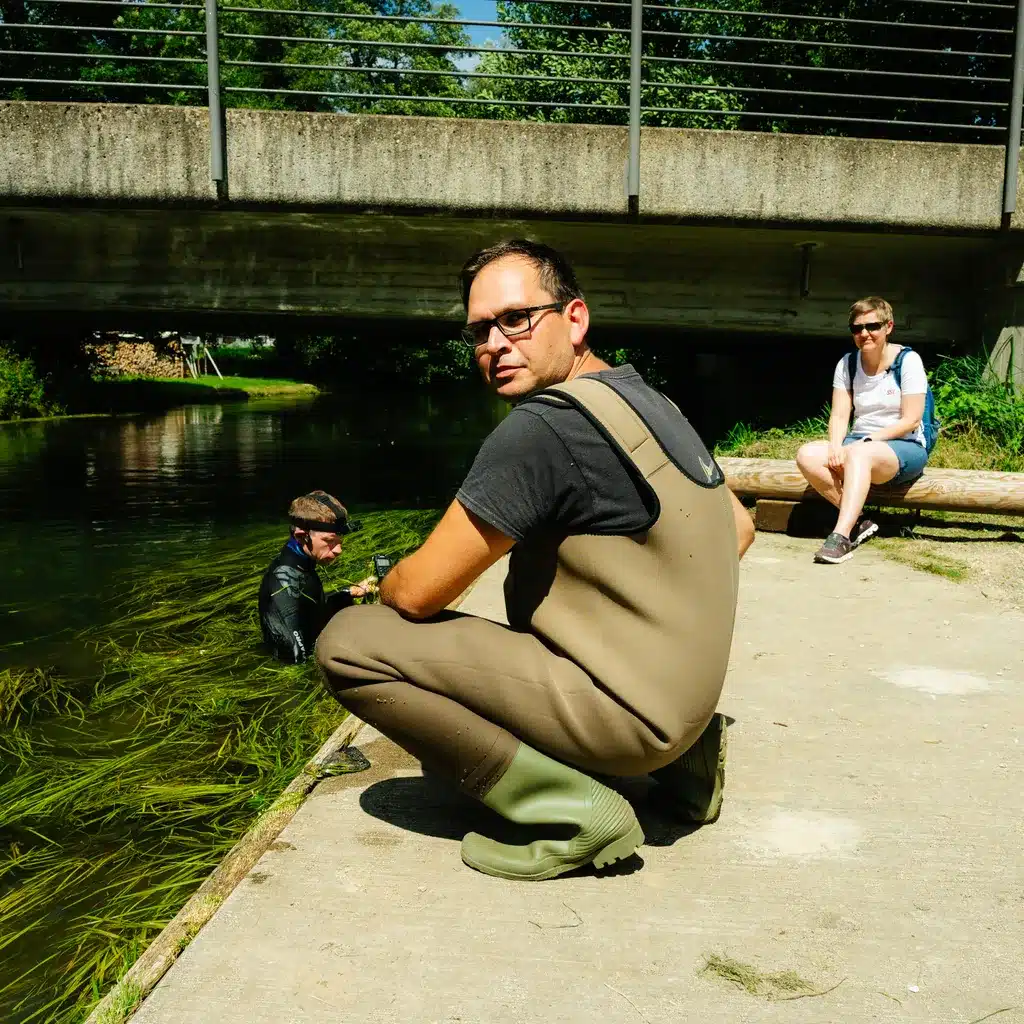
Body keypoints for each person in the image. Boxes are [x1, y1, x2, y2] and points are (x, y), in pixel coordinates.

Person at [316, 240, 754, 881]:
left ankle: (574, 811)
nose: (494, 342)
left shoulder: (540, 430)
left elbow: (418, 595)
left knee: (350, 641)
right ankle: (682, 768)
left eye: (516, 319)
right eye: (478, 330)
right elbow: (737, 529)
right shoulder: (645, 399)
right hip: (682, 711)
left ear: (574, 319)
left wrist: (391, 575)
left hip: (624, 718)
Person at [796, 297, 930, 565]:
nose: (864, 334)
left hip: (903, 447)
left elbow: (912, 420)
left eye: (872, 326)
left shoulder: (908, 360)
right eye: (857, 329)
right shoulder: (847, 364)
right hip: (860, 443)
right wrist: (836, 446)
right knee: (807, 454)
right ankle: (858, 521)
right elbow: (839, 414)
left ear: (888, 326)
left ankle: (841, 536)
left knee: (859, 454)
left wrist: (869, 441)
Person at [258, 491, 374, 663]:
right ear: (301, 536)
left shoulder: (302, 563)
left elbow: (310, 609)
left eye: (340, 541)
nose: (338, 550)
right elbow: (294, 658)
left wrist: (348, 593)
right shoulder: (284, 584)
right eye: (329, 541)